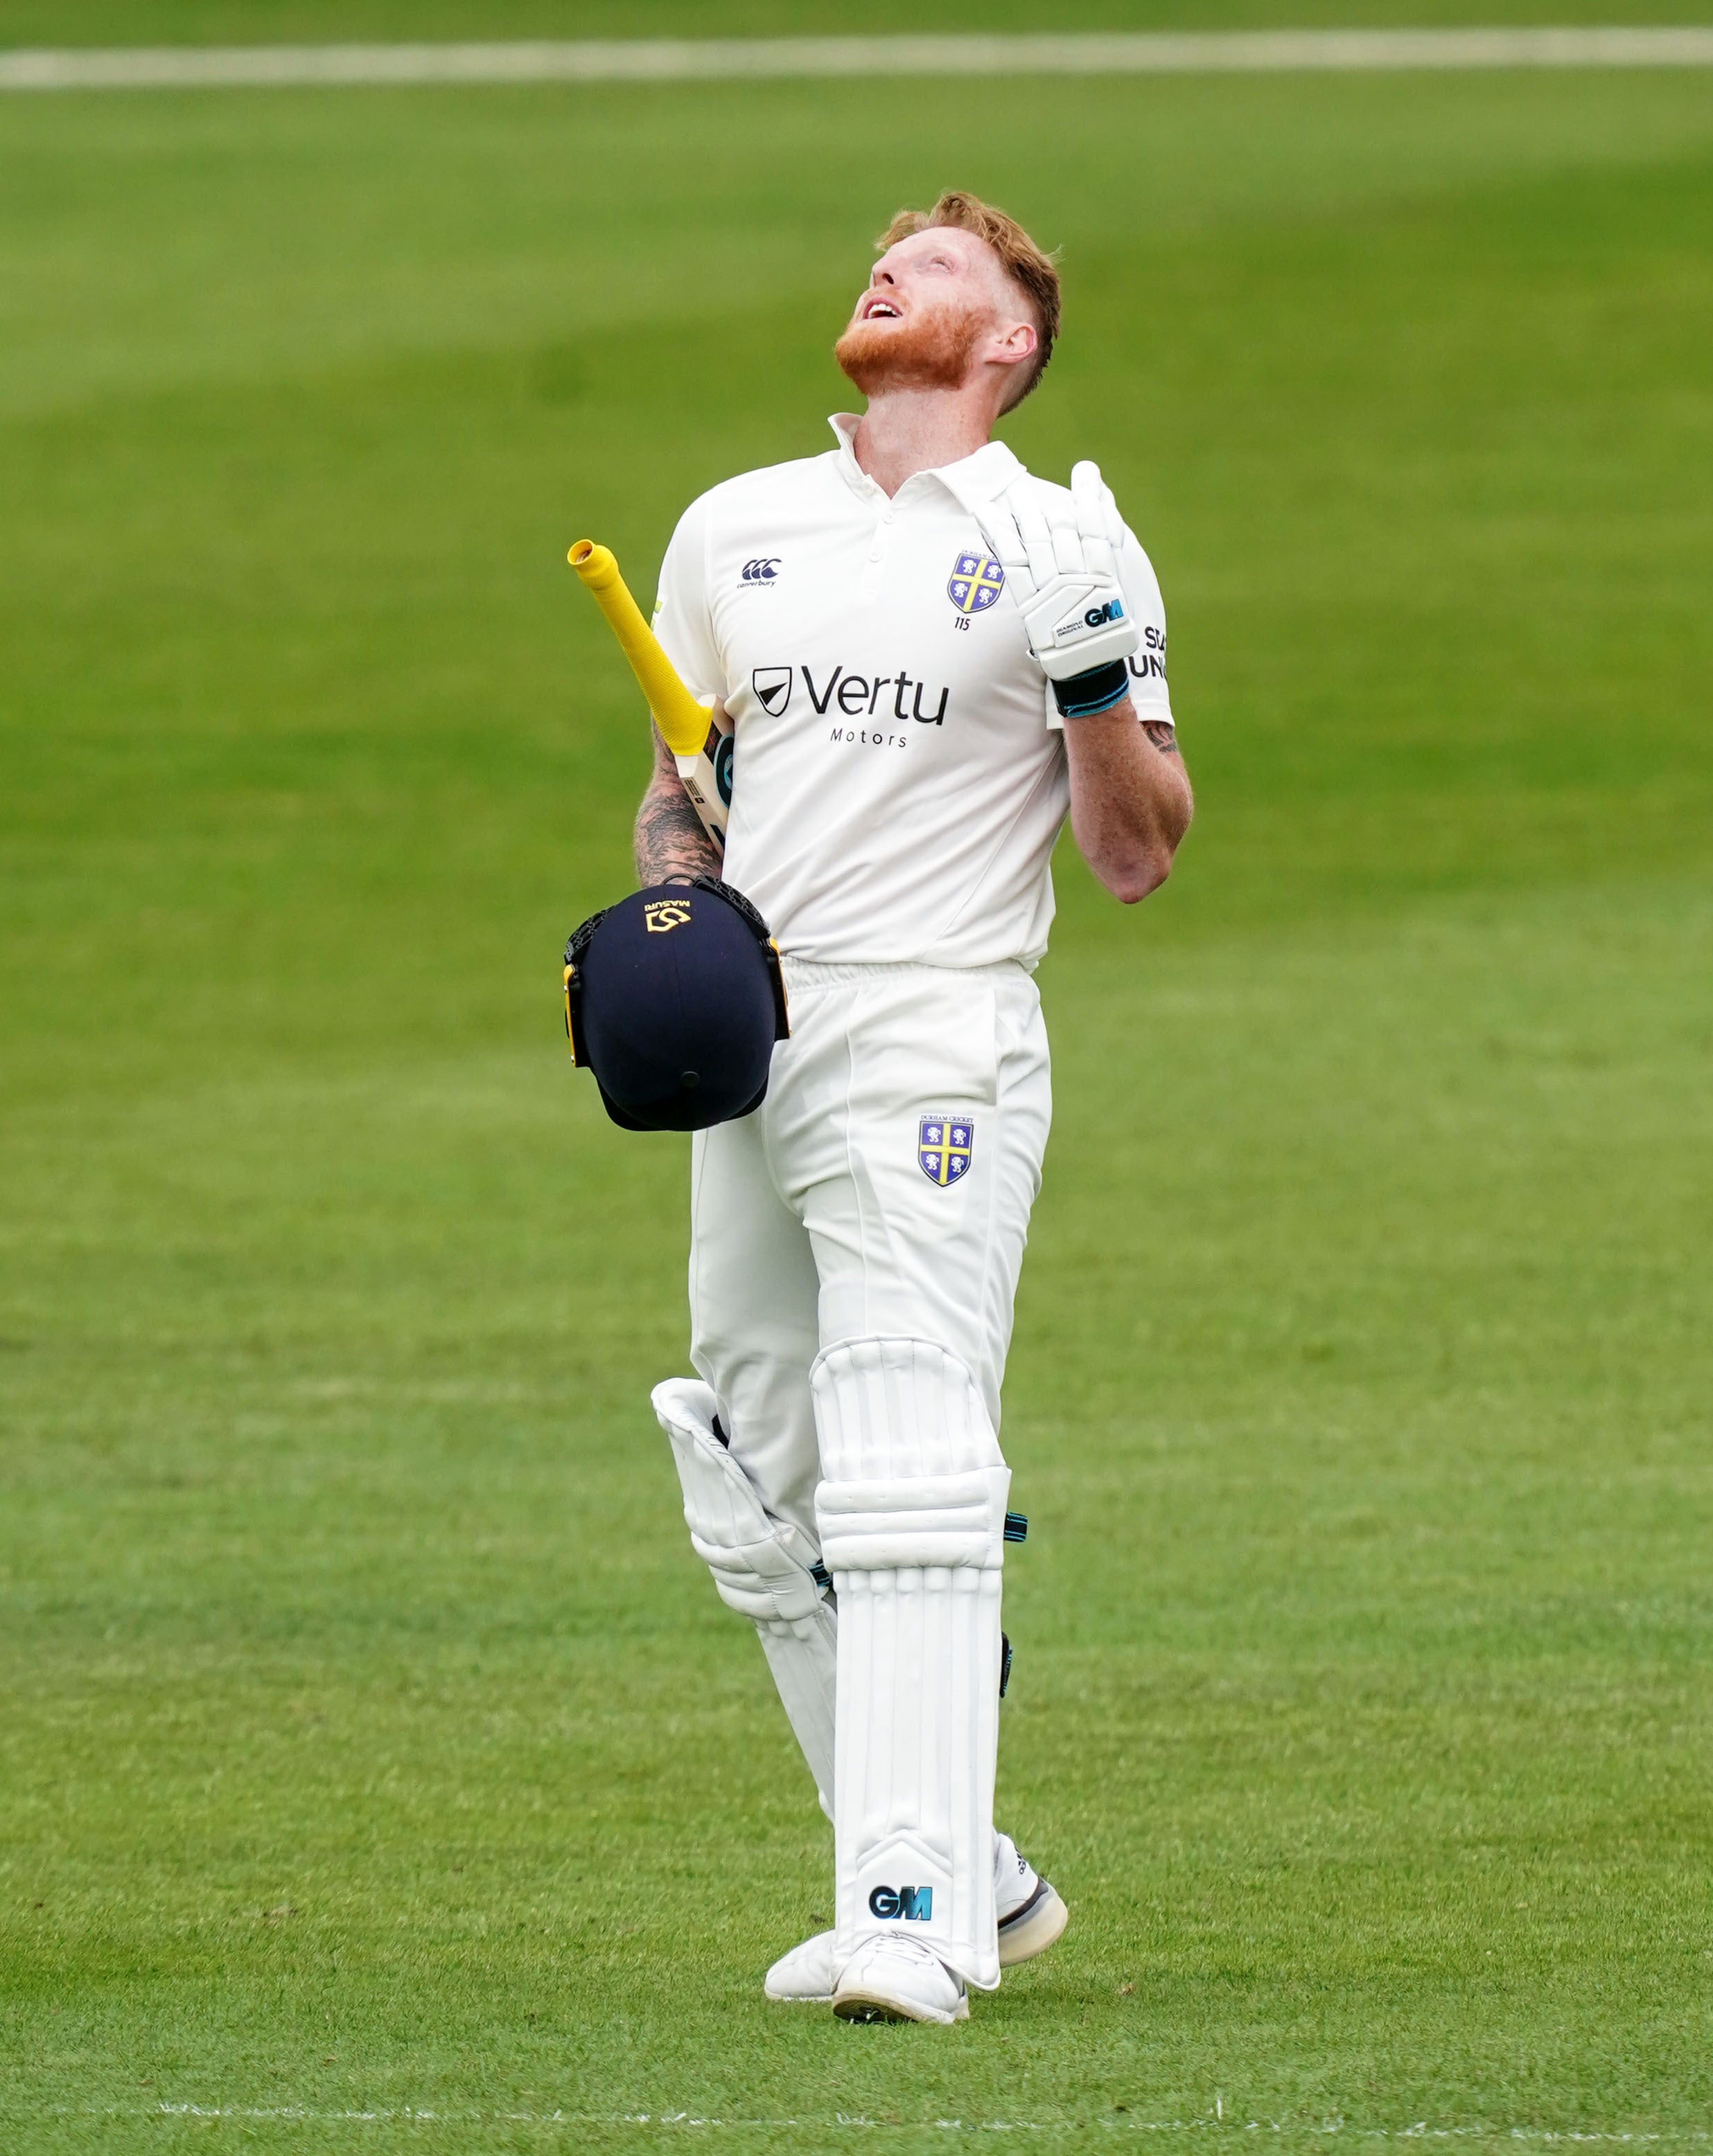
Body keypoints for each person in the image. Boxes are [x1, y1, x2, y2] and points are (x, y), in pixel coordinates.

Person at [637, 190, 1193, 2026]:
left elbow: (1135, 856)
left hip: (939, 1030)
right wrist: (666, 915)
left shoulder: (1064, 541)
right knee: (764, 1474)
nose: (891, 274)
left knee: (906, 1446)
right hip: (759, 1041)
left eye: (939, 267)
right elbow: (684, 792)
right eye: (886, 259)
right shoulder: (736, 525)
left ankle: (909, 1912)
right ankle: (987, 1876)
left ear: (1011, 342)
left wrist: (1102, 666)